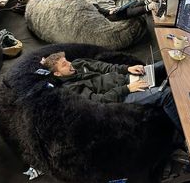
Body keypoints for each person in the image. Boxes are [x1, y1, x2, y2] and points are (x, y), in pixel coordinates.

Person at [40, 51, 182, 132]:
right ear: (58, 74)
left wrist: (126, 69)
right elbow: (99, 102)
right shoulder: (72, 88)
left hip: (126, 79)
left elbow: (103, 66)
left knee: (168, 63)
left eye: (67, 60)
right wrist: (126, 89)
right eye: (65, 65)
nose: (70, 64)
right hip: (121, 97)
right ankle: (185, 135)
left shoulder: (78, 63)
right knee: (165, 93)